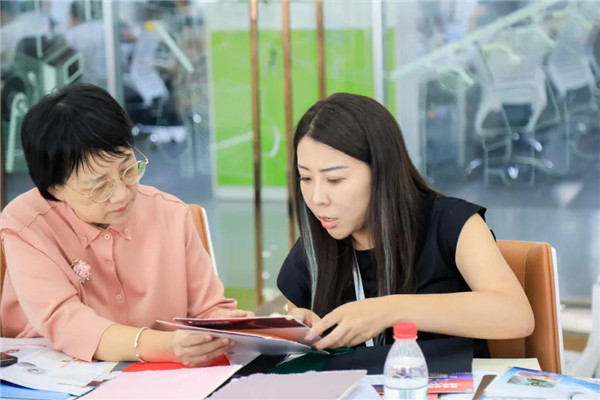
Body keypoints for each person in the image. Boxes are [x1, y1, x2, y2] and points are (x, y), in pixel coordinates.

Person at [0, 83, 252, 366]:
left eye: (128, 170)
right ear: (54, 188)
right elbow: (66, 321)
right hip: (53, 375)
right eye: (99, 187)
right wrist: (167, 346)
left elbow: (210, 311)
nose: (121, 194)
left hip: (164, 376)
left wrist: (239, 329)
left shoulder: (170, 213)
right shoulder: (26, 223)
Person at [277, 93, 534, 360]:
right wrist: (304, 331)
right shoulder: (315, 244)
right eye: (305, 178)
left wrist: (388, 310)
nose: (317, 198)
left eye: (335, 180)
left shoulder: (450, 222)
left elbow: (516, 316)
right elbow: (303, 346)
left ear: (382, 172)